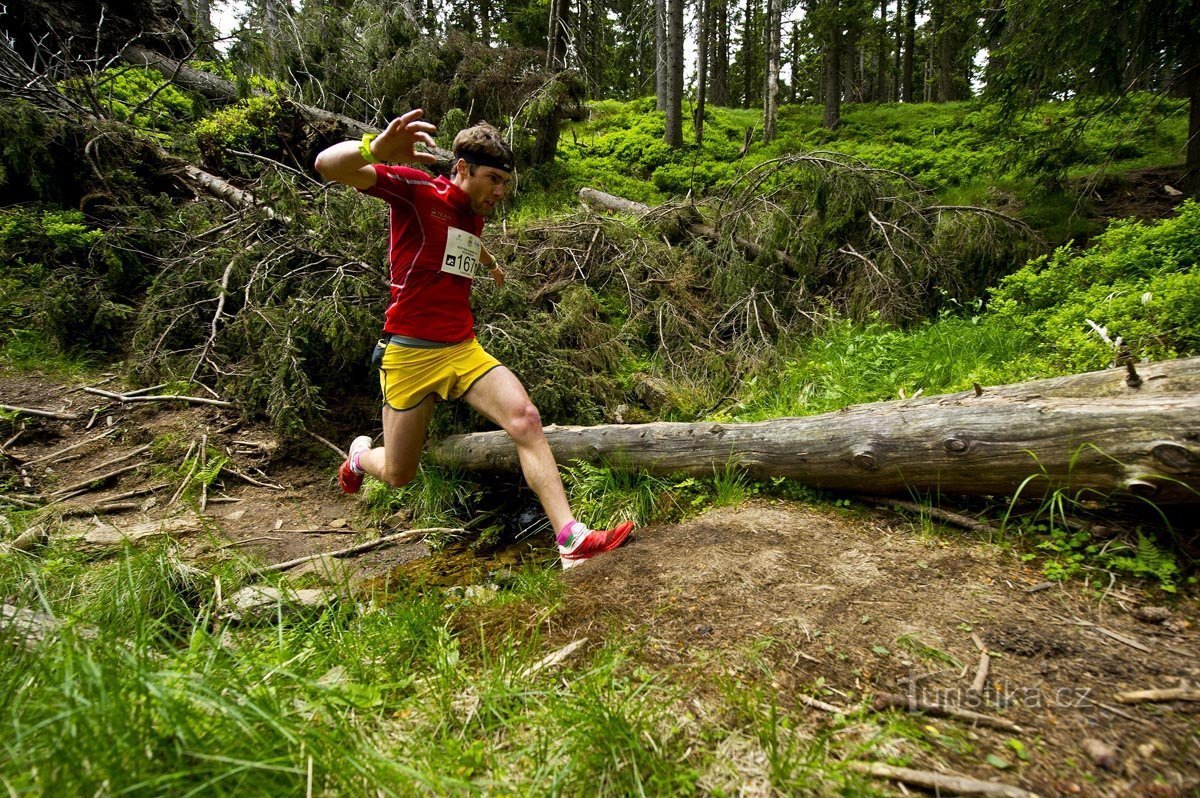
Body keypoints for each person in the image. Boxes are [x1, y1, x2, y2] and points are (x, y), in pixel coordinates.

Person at [313, 109, 633, 569]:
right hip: (409, 353)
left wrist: (490, 265)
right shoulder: (416, 190)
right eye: (493, 179)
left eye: (506, 182)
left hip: (462, 348)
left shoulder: (475, 212)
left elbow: (461, 239)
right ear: (462, 169)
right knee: (400, 474)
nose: (501, 192)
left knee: (525, 418)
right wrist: (374, 150)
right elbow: (327, 165)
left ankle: (570, 538)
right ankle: (361, 458)